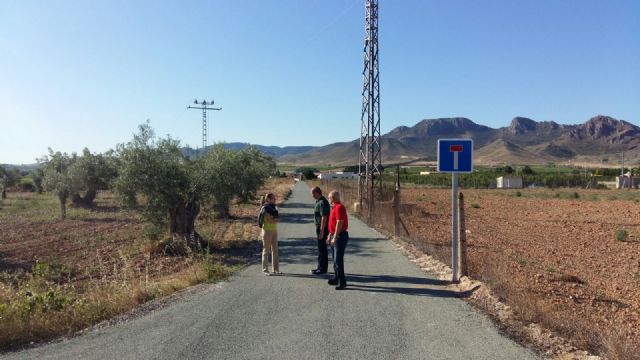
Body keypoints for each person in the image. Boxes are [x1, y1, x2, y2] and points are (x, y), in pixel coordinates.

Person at [326, 190, 349, 290]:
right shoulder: (334, 207)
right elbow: (333, 224)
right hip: (334, 235)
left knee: (338, 260)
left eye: (329, 198)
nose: (328, 199)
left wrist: (335, 237)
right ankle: (336, 278)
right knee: (335, 260)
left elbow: (339, 223)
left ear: (333, 198)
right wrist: (329, 235)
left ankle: (342, 282)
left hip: (340, 236)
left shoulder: (339, 207)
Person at [258, 193, 281, 275]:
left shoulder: (274, 207)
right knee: (266, 251)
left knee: (275, 250)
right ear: (268, 199)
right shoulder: (265, 208)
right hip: (267, 231)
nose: (275, 200)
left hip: (274, 230)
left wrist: (275, 218)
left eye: (275, 198)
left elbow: (277, 219)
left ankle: (275, 269)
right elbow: (271, 220)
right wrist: (275, 218)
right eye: (273, 199)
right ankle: (265, 270)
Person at [310, 186, 331, 275]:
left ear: (316, 193)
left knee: (322, 249)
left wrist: (322, 231)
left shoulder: (322, 202)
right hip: (320, 227)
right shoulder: (319, 201)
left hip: (322, 227)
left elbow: (324, 217)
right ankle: (319, 267)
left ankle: (322, 269)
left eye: (313, 193)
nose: (312, 195)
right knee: (320, 249)